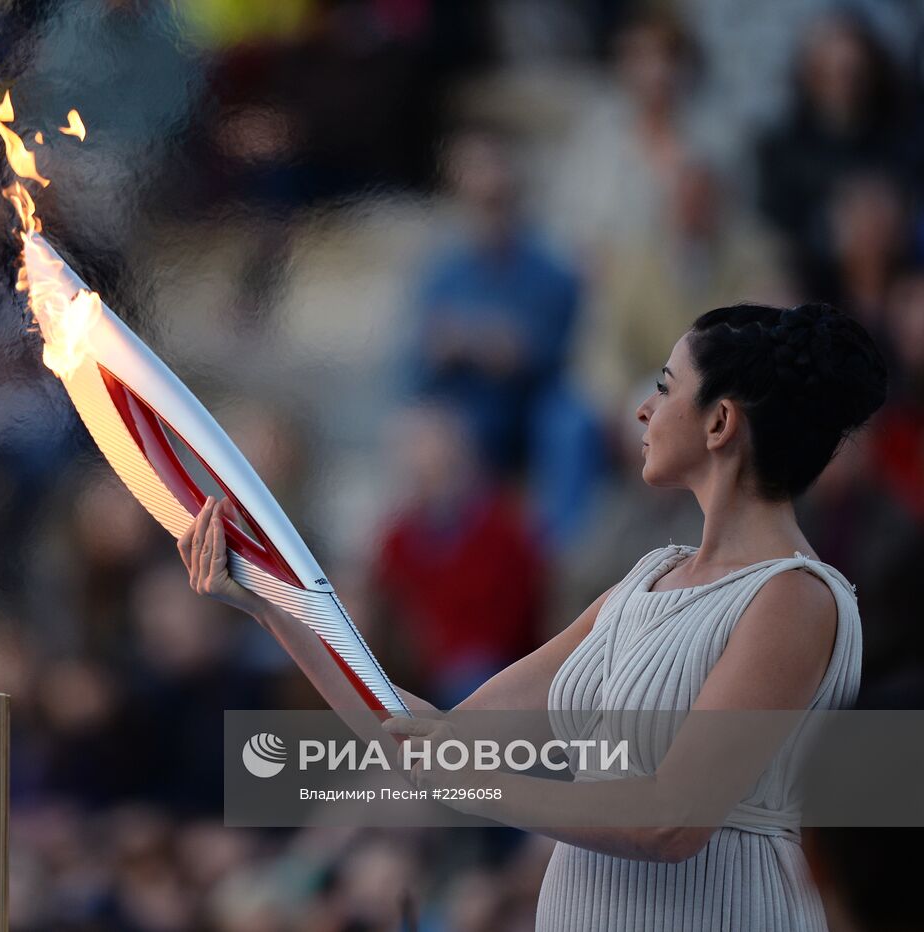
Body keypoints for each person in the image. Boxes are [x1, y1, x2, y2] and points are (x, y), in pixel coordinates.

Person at [177, 302, 888, 930]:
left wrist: (469, 780)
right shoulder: (641, 582)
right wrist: (270, 601)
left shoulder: (795, 597)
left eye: (664, 388)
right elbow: (429, 735)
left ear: (721, 421)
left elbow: (669, 820)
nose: (642, 409)